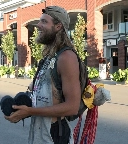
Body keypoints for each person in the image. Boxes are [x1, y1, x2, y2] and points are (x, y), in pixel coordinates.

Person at [5, 6, 81, 144]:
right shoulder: (49, 57)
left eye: (44, 22)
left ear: (58, 26)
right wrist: (23, 108)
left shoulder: (66, 57)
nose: (38, 25)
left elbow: (72, 107)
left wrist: (30, 111)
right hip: (41, 133)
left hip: (55, 135)